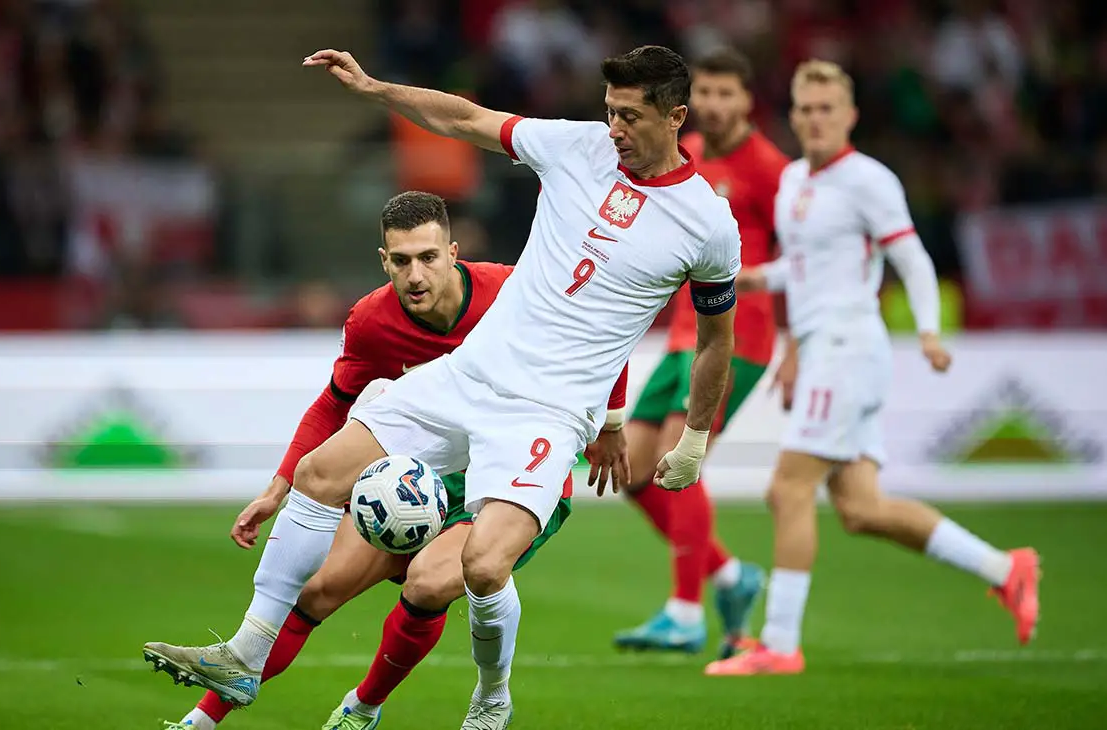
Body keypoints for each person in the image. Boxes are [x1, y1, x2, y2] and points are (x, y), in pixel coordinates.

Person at [147, 43, 742, 730]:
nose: (614, 130)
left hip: (546, 414)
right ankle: (245, 654)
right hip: (467, 377)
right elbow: (464, 118)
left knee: (485, 568)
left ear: (676, 117)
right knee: (318, 473)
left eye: (631, 117)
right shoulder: (575, 146)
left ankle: (491, 697)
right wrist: (375, 89)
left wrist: (693, 436)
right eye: (609, 112)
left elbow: (714, 340)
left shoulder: (706, 226)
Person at [148, 191, 629, 730]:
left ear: (453, 251)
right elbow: (332, 402)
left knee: (427, 583)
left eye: (428, 257)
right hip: (415, 480)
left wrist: (610, 424)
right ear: (384, 261)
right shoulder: (372, 321)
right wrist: (278, 487)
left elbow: (601, 337)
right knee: (316, 590)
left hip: (510, 477)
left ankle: (373, 704)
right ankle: (201, 720)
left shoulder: (512, 292)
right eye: (401, 261)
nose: (415, 275)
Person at [704, 60, 1040, 676]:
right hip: (824, 345)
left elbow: (909, 258)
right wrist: (758, 279)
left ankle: (779, 644)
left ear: (850, 115)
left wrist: (932, 332)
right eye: (805, 108)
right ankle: (1005, 568)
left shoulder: (869, 180)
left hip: (848, 347)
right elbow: (809, 266)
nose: (814, 118)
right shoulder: (798, 180)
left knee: (787, 488)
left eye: (827, 107)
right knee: (861, 508)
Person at [614, 47, 788, 659]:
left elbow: (810, 260)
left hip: (740, 341)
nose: (714, 105)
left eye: (725, 94)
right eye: (705, 94)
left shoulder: (770, 169)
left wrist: (801, 347)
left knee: (676, 457)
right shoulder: (686, 159)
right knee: (633, 469)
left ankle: (685, 612)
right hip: (682, 334)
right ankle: (729, 575)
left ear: (747, 100)